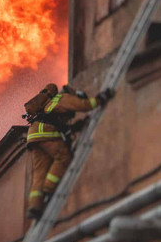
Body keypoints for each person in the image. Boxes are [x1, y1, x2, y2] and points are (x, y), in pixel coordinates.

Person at [23, 83, 115, 219]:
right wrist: (101, 97)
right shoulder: (63, 98)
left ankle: (35, 206)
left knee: (40, 171)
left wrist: (74, 128)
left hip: (33, 136)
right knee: (63, 157)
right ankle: (49, 189)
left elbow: (57, 124)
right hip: (45, 133)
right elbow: (85, 105)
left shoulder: (47, 104)